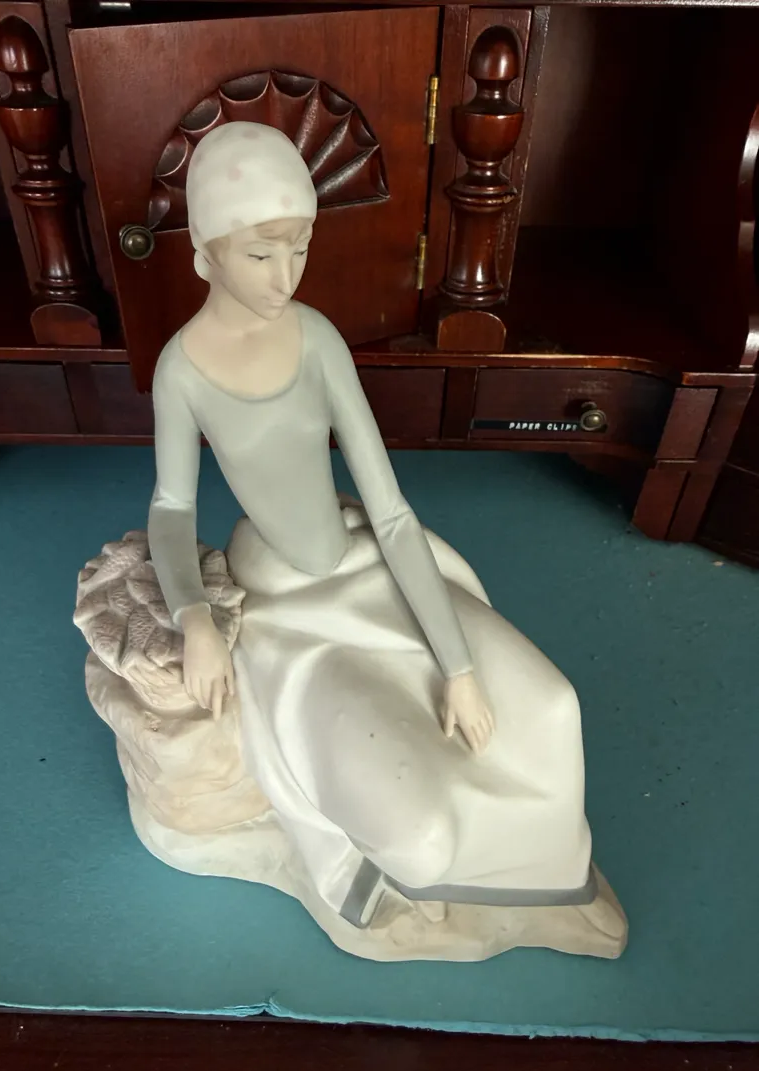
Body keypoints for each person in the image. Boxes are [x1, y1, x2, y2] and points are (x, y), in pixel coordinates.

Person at [148, 121, 594, 924]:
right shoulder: (181, 371)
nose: (285, 276)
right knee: (416, 823)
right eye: (260, 254)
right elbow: (172, 507)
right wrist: (195, 618)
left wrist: (457, 666)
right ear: (205, 254)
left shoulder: (317, 340)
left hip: (368, 564)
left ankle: (544, 866)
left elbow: (390, 514)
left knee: (553, 708)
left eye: (299, 249)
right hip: (286, 606)